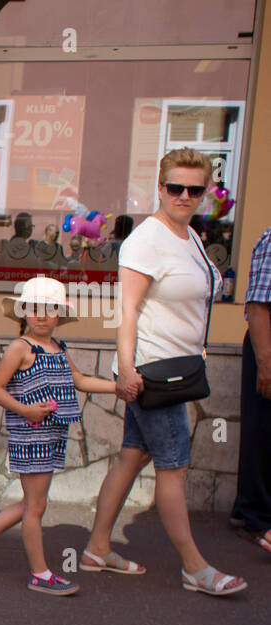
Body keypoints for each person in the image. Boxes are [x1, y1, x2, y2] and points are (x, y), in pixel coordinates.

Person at [82, 148, 246, 597]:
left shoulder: (190, 237)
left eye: (195, 189)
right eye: (176, 187)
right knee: (174, 468)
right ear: (160, 187)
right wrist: (128, 370)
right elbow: (128, 308)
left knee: (132, 456)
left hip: (174, 365)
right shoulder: (147, 240)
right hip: (154, 373)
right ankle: (195, 568)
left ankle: (97, 549)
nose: (185, 195)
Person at [0, 278, 115, 595]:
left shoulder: (58, 348)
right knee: (36, 508)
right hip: (32, 435)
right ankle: (40, 574)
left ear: (59, 314)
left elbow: (80, 381)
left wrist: (117, 387)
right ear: (23, 313)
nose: (42, 316)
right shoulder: (20, 348)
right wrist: (26, 410)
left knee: (32, 503)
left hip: (53, 433)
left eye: (50, 309)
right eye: (35, 309)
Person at [232, 224, 271, 553]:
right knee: (263, 430)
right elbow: (258, 305)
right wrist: (266, 363)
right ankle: (255, 515)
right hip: (268, 345)